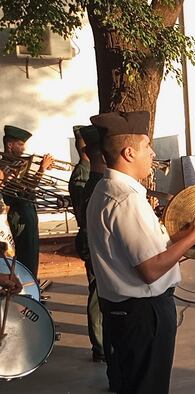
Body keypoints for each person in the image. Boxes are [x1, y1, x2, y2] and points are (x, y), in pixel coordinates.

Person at [87, 111, 195, 394]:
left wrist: (181, 236)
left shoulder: (108, 191)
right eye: (147, 147)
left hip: (127, 311)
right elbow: (149, 269)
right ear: (128, 152)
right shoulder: (125, 200)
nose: (153, 154)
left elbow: (147, 251)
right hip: (142, 313)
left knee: (142, 392)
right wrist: (193, 237)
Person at [69, 125, 105, 363]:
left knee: (100, 293)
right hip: (92, 240)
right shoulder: (86, 176)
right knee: (97, 294)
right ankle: (100, 344)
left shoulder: (93, 177)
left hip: (93, 240)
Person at [2, 125, 53, 280]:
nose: (23, 149)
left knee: (32, 254)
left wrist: (41, 169)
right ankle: (26, 287)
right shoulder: (4, 166)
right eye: (20, 144)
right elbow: (24, 191)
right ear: (10, 145)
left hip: (27, 213)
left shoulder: (18, 164)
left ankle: (31, 286)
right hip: (19, 216)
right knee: (26, 256)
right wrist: (41, 170)